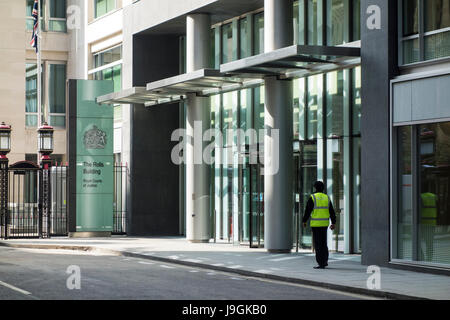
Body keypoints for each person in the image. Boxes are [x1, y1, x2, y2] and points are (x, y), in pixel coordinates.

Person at [302, 181, 336, 269]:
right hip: (324, 224)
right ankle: (325, 261)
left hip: (316, 224)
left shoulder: (313, 197)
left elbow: (308, 211)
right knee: (324, 243)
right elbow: (331, 211)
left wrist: (304, 221)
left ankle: (321, 263)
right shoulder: (326, 198)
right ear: (323, 188)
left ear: (315, 188)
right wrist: (333, 222)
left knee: (318, 244)